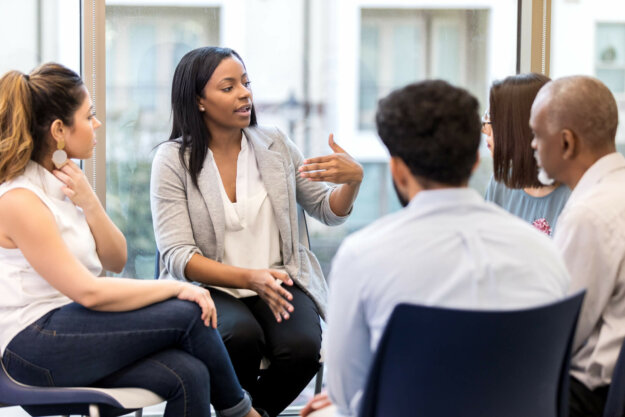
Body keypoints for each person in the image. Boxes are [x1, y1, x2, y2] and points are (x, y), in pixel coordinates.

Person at [0, 63, 265, 417]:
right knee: (190, 312)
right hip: (33, 347)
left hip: (71, 327)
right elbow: (89, 292)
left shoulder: (63, 185)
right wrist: (176, 288)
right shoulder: (20, 200)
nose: (97, 124)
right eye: (89, 115)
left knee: (190, 374)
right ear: (59, 130)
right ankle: (244, 415)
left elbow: (116, 259)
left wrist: (89, 202)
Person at [301, 80, 571, 417]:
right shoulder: (544, 252)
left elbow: (345, 390)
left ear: (398, 171)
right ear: (475, 161)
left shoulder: (363, 256)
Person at [150, 46, 363, 417]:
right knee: (240, 336)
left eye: (245, 83)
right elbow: (178, 256)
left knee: (301, 347)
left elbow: (327, 210)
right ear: (199, 100)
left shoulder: (275, 144)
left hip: (278, 282)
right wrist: (251, 277)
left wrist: (353, 182)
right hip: (210, 289)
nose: (245, 93)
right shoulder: (173, 160)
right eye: (228, 87)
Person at [530, 75, 625, 417]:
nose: (533, 146)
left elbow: (556, 335)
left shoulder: (590, 214)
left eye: (537, 135)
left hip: (587, 398)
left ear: (567, 143)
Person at [483, 73, 570, 236]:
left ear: (519, 129)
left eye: (493, 120)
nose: (486, 130)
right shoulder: (500, 183)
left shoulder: (575, 195)